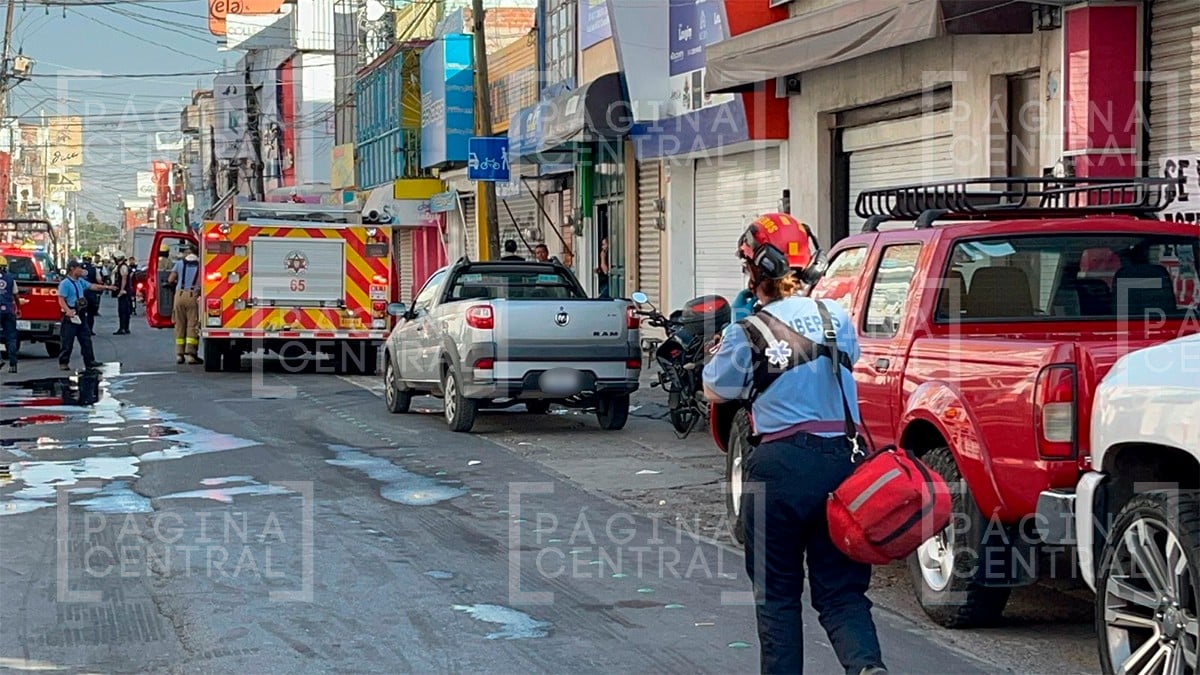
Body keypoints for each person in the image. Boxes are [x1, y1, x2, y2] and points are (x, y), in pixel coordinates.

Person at [702, 212, 886, 675]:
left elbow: (716, 390)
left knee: (778, 597)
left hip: (778, 471)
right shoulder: (837, 319)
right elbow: (848, 362)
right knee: (842, 593)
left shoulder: (746, 332)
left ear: (757, 271)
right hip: (841, 469)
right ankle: (867, 668)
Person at [58, 260, 117, 371]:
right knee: (67, 340)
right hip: (71, 313)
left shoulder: (80, 281)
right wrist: (68, 311)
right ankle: (64, 362)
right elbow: (61, 299)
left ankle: (89, 361)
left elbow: (92, 286)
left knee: (86, 338)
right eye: (79, 268)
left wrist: (107, 288)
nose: (81, 271)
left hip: (81, 313)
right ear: (72, 269)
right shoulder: (65, 283)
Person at [166, 244, 203, 364]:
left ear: (188, 253)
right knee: (192, 325)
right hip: (194, 296)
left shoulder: (179, 264)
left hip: (179, 296)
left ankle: (179, 355)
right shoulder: (201, 265)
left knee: (179, 325)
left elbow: (170, 280)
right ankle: (191, 355)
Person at [0, 255, 20, 373]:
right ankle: (13, 365)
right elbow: (16, 295)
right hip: (8, 310)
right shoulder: (10, 279)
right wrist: (18, 307)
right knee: (11, 338)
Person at [113, 253, 134, 335]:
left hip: (125, 292)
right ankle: (126, 328)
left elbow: (124, 278)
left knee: (123, 310)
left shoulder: (123, 267)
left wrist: (122, 289)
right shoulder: (124, 266)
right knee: (126, 310)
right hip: (127, 290)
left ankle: (123, 328)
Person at [81, 254, 102, 336]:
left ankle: (80, 330)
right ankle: (90, 330)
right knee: (90, 313)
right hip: (91, 292)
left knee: (80, 312)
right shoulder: (94, 269)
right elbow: (99, 279)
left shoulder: (77, 268)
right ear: (90, 260)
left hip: (80, 293)